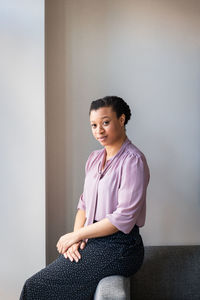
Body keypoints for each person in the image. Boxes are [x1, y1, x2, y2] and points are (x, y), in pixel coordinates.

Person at [19, 96, 150, 300]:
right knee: (44, 286)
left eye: (105, 122)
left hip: (121, 246)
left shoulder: (133, 161)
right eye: (94, 125)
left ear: (121, 120)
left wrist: (77, 236)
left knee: (35, 287)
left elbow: (123, 217)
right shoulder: (94, 158)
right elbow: (84, 204)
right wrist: (76, 238)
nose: (99, 130)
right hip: (92, 239)